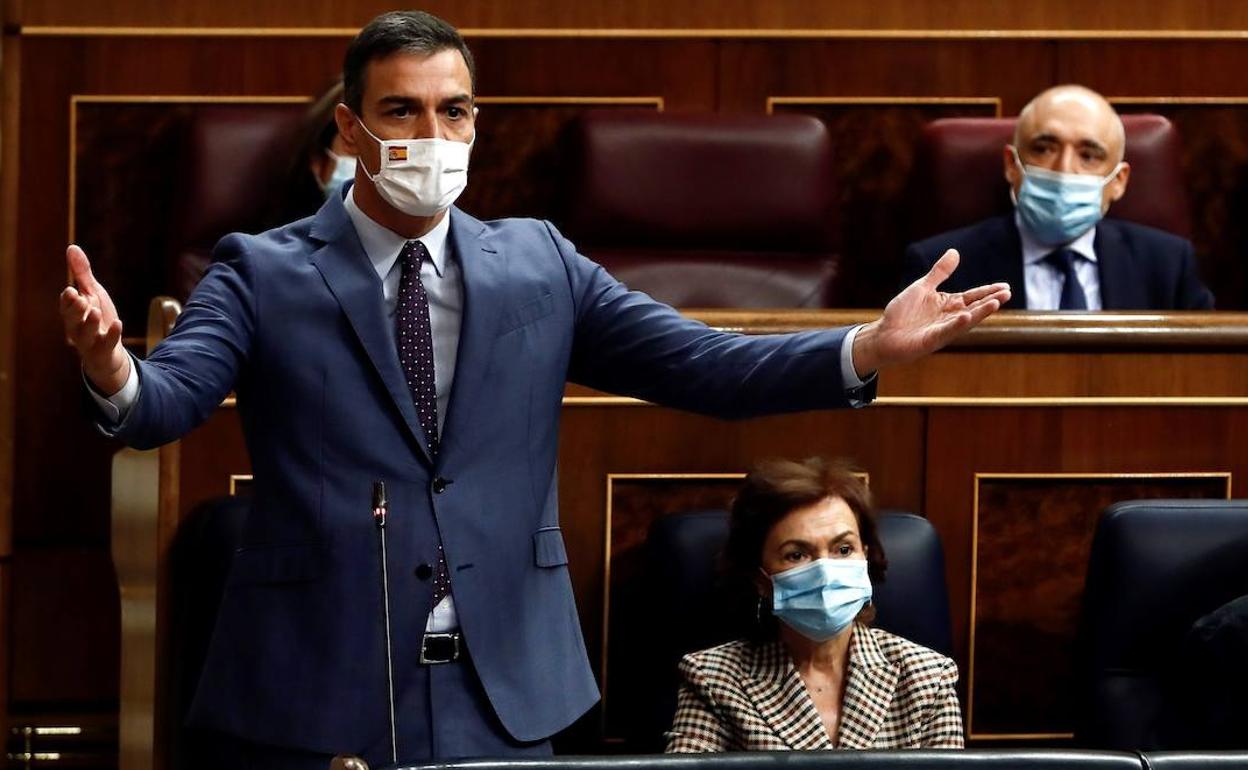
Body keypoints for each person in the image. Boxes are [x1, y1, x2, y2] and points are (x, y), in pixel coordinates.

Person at [59, 10, 1006, 767]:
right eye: (402, 112)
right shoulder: (263, 270)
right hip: (317, 686)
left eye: (455, 110)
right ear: (350, 127)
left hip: (500, 686)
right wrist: (112, 365)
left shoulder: (538, 262)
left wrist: (866, 347)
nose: (433, 134)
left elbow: (707, 367)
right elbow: (165, 403)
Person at [665, 458, 963, 751]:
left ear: (866, 557)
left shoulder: (928, 678)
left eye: (843, 549)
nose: (825, 571)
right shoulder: (712, 679)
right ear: (760, 579)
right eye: (796, 554)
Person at [903, 84, 1213, 311]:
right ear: (1012, 165)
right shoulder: (939, 267)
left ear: (1118, 181)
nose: (1065, 170)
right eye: (1044, 148)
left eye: (1089, 155)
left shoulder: (1168, 264)